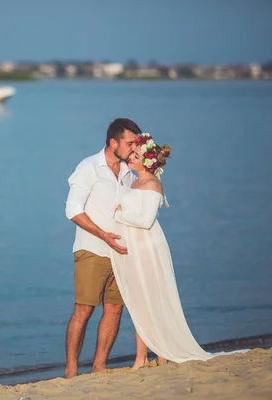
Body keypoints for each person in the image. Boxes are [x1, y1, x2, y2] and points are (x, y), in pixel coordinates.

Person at [110, 133, 212, 370]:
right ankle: (154, 355)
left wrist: (118, 214)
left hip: (147, 247)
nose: (131, 158)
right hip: (134, 247)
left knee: (147, 301)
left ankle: (147, 357)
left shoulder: (153, 185)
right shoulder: (134, 182)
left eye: (135, 156)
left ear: (147, 162)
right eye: (132, 154)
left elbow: (146, 221)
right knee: (140, 302)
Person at [64, 118, 141, 378]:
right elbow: (73, 209)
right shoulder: (89, 167)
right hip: (92, 249)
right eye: (130, 143)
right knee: (84, 309)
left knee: (114, 309)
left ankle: (99, 366)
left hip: (121, 253)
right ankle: (72, 369)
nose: (134, 148)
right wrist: (103, 235)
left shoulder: (131, 171)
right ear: (113, 142)